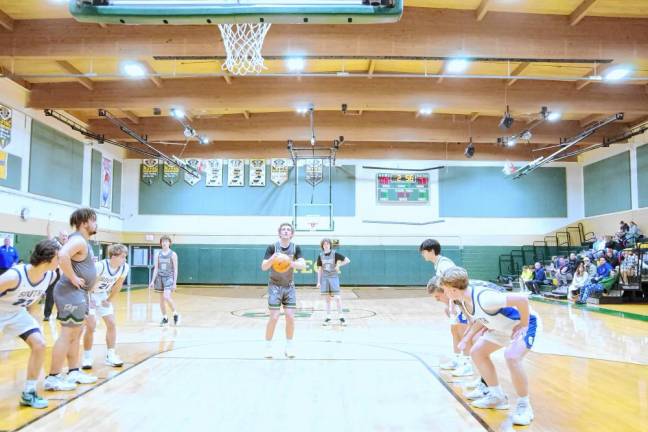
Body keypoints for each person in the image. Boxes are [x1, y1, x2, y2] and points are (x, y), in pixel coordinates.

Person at [440, 266, 537, 426]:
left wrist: (524, 325)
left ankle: (524, 406)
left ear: (454, 289)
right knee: (477, 352)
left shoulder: (485, 298)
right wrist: (467, 337)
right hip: (500, 328)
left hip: (522, 323)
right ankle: (497, 396)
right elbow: (480, 317)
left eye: (445, 289)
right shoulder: (464, 299)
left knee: (512, 357)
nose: (445, 293)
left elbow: (522, 300)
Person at [44, 208, 99, 391]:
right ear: (84, 222)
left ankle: (73, 371)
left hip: (79, 294)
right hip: (70, 292)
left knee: (76, 334)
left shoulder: (83, 241)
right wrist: (74, 278)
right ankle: (52, 377)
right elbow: (62, 255)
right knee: (68, 335)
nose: (95, 224)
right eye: (94, 220)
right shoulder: (77, 240)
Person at [0, 239, 59, 408]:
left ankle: (29, 392)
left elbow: (34, 299)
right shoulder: (14, 276)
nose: (60, 261)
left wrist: (36, 325)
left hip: (17, 313)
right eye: (58, 258)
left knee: (39, 344)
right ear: (48, 259)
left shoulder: (50, 275)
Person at [261, 223, 306, 359]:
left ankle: (289, 347)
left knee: (290, 317)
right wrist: (272, 258)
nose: (286, 232)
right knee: (274, 317)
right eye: (283, 230)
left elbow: (302, 265)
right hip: (274, 286)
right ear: (279, 233)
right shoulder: (272, 248)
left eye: (288, 230)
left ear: (292, 234)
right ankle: (268, 347)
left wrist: (290, 262)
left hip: (289, 286)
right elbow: (263, 267)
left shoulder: (295, 248)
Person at [82, 244, 130, 369]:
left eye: (125, 257)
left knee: (111, 323)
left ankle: (111, 355)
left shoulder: (124, 267)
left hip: (103, 294)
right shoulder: (100, 266)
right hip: (89, 293)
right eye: (122, 257)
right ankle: (87, 357)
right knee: (91, 326)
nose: (124, 259)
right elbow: (88, 285)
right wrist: (90, 300)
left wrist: (109, 299)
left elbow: (118, 285)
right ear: (113, 256)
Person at [316, 238, 350, 326]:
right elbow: (319, 269)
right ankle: (328, 317)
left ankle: (341, 316)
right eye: (324, 244)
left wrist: (338, 265)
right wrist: (318, 282)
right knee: (327, 299)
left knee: (337, 298)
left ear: (330, 245)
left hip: (334, 277)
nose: (326, 245)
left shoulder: (335, 254)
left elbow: (347, 260)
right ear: (322, 246)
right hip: (325, 278)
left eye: (327, 244)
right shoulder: (320, 255)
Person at [149, 235, 179, 326]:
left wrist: (174, 283)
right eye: (163, 241)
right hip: (159, 278)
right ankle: (165, 318)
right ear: (161, 243)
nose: (164, 243)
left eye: (166, 241)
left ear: (169, 243)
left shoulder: (173, 254)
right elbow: (156, 268)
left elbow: (175, 269)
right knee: (161, 300)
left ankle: (175, 313)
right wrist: (152, 281)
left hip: (169, 278)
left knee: (166, 296)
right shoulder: (158, 254)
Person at [43, 231, 69, 322]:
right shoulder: (56, 244)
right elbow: (49, 235)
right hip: (55, 272)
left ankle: (60, 314)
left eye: (66, 236)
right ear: (59, 236)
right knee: (50, 294)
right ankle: (47, 315)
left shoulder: (70, 246)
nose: (64, 237)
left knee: (62, 295)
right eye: (63, 235)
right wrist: (49, 225)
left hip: (65, 273)